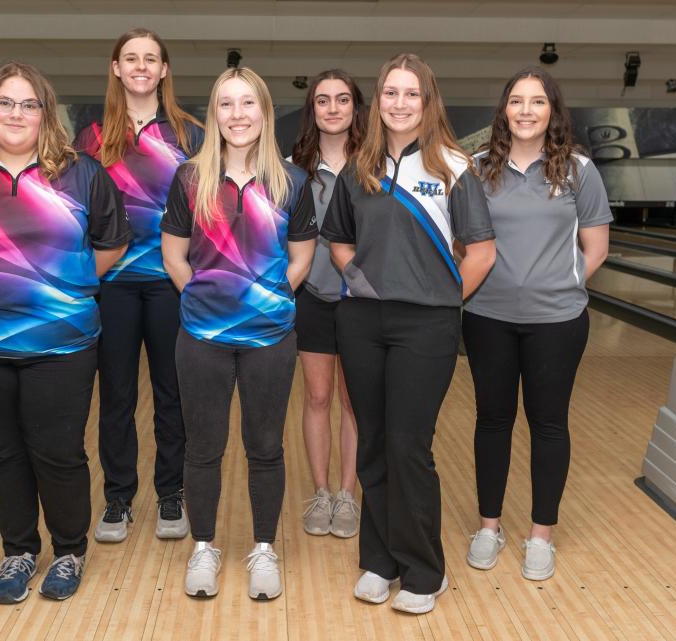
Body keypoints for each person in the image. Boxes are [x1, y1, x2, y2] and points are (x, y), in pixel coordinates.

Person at [0, 61, 130, 604]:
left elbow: (111, 244)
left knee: (58, 450)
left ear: (45, 113)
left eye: (28, 103)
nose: (16, 113)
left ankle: (68, 551)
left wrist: (58, 291)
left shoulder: (82, 173)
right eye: (5, 102)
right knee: (2, 451)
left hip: (61, 343)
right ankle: (18, 550)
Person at [321, 53, 496, 614]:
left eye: (411, 94)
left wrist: (443, 302)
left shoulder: (452, 166)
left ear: (428, 101)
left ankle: (425, 569)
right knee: (372, 440)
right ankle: (380, 560)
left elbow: (482, 254)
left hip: (427, 325)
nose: (399, 103)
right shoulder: (360, 168)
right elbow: (340, 241)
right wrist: (362, 282)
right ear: (380, 102)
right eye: (391, 93)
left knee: (408, 445)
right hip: (363, 321)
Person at [161, 67, 317, 601]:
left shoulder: (292, 182)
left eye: (247, 103)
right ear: (215, 114)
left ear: (265, 111)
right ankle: (203, 546)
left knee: (266, 446)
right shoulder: (188, 178)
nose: (237, 114)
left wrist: (269, 298)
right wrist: (201, 299)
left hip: (271, 337)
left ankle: (264, 548)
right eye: (226, 104)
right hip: (201, 336)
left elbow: (301, 257)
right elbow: (173, 254)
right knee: (203, 447)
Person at [462, 66, 611, 581]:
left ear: (553, 111)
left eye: (538, 102)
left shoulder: (578, 171)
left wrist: (559, 283)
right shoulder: (477, 168)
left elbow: (596, 249)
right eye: (517, 101)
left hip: (558, 320)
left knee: (549, 424)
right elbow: (464, 245)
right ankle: (489, 527)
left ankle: (541, 535)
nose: (526, 111)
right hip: (486, 316)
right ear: (504, 110)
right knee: (492, 420)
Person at [74, 28, 203, 543]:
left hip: (172, 281)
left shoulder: (190, 134)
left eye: (151, 59)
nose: (141, 66)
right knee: (117, 397)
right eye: (131, 58)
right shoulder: (91, 138)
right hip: (115, 284)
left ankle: (171, 493)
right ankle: (119, 498)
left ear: (165, 70)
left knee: (174, 395)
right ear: (116, 68)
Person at [289, 69, 366, 538]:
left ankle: (347, 494)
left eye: (342, 99)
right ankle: (320, 493)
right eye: (323, 101)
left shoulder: (373, 166)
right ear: (312, 109)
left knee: (352, 402)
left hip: (361, 300)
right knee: (317, 397)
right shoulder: (291, 170)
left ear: (356, 107)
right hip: (312, 296)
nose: (333, 108)